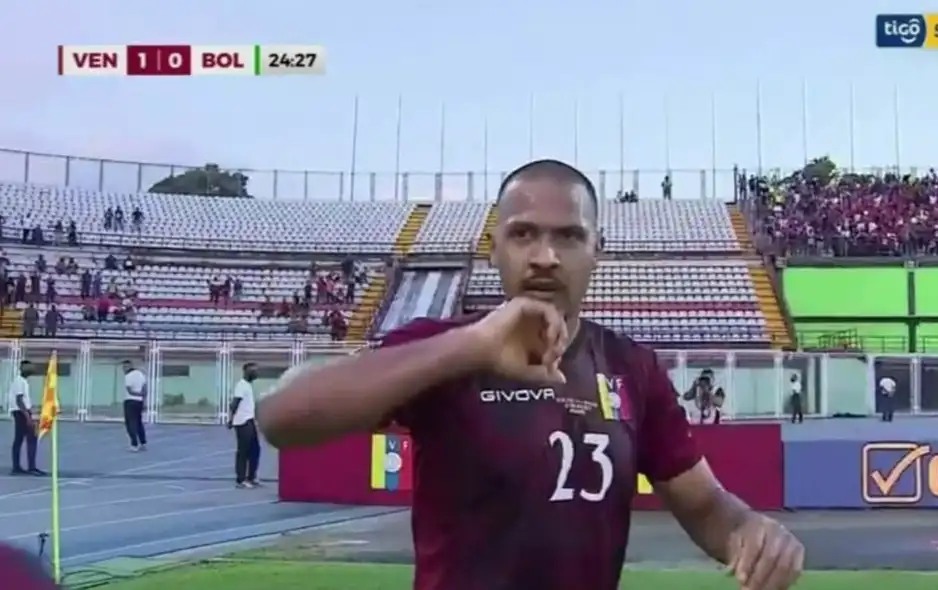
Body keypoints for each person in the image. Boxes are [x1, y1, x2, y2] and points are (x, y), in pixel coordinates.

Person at [257, 159, 804, 590]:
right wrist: (470, 347)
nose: (545, 257)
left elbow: (705, 505)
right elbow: (281, 418)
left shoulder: (632, 368)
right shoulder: (439, 349)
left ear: (598, 253)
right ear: (493, 250)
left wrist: (748, 532)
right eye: (523, 235)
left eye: (569, 237)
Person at [228, 362, 261, 488]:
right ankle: (241, 479)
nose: (256, 373)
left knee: (255, 450)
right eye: (254, 371)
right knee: (243, 451)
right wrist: (231, 419)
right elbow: (235, 403)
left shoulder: (248, 385)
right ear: (247, 372)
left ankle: (251, 477)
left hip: (249, 420)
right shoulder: (241, 385)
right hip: (242, 422)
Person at [9, 360, 44, 476]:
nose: (31, 370)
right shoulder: (19, 381)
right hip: (20, 412)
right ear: (23, 368)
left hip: (22, 412)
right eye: (29, 367)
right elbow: (19, 400)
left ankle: (19, 467)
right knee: (29, 438)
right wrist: (28, 416)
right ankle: (29, 467)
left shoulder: (23, 381)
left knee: (20, 439)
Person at [122, 360, 147, 451]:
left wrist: (137, 394)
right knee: (139, 422)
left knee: (130, 423)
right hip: (139, 402)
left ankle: (134, 444)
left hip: (130, 401)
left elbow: (129, 390)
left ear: (129, 366)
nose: (123, 369)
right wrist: (143, 398)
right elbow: (145, 388)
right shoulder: (141, 374)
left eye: (124, 367)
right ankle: (143, 442)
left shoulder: (128, 376)